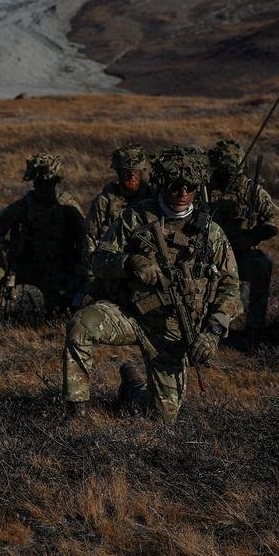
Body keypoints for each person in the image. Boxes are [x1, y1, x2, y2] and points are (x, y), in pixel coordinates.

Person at [62, 145, 242, 422]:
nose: (182, 193)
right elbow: (98, 259)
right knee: (81, 325)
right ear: (162, 183)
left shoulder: (211, 234)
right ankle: (77, 411)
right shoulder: (135, 217)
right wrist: (130, 262)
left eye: (190, 187)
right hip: (130, 314)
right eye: (175, 186)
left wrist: (213, 331)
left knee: (162, 418)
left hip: (172, 331)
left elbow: (231, 287)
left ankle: (132, 387)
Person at [0, 153, 88, 323]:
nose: (45, 188)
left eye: (49, 183)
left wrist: (81, 263)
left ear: (57, 183)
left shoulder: (68, 207)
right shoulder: (22, 207)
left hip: (59, 270)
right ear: (34, 183)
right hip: (25, 266)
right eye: (41, 183)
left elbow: (85, 236)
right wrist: (2, 249)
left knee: (60, 313)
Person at [206, 139, 279, 347]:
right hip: (209, 254)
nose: (228, 177)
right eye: (224, 172)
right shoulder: (204, 189)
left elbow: (277, 218)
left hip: (242, 252)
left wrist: (254, 235)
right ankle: (205, 326)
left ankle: (254, 330)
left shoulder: (251, 190)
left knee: (262, 266)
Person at [82, 144, 155, 301]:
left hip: (147, 267)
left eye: (135, 171)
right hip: (112, 268)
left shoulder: (153, 199)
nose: (131, 176)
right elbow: (89, 239)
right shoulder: (104, 201)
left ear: (142, 171)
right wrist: (93, 277)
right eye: (126, 172)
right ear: (118, 172)